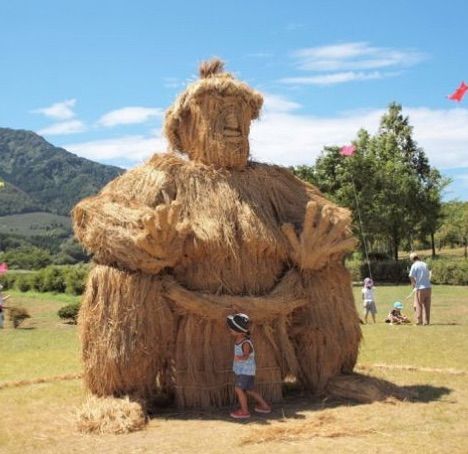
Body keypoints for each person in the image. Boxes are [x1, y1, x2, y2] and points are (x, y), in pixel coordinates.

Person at [227, 313, 271, 419]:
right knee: (250, 390)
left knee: (238, 389)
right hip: (245, 370)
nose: (230, 330)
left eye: (232, 329)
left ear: (239, 331)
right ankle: (265, 406)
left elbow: (246, 356)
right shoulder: (240, 340)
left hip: (245, 371)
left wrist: (239, 358)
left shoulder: (245, 343)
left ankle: (244, 411)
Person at [408, 253, 432, 325]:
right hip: (428, 288)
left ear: (412, 259)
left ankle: (419, 321)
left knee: (418, 305)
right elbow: (428, 275)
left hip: (420, 288)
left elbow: (411, 276)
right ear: (418, 257)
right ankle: (427, 321)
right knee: (427, 306)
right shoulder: (425, 264)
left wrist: (414, 285)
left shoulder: (414, 265)